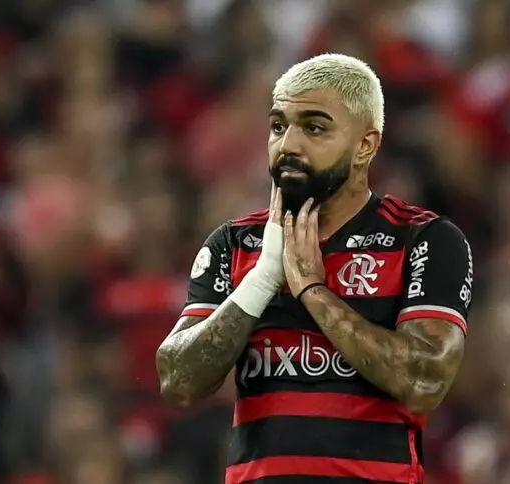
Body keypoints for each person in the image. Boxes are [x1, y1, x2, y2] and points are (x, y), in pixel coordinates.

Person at [156, 53, 475, 483]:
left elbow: (425, 381)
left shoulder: (423, 240)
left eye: (314, 127)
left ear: (365, 145)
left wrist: (314, 292)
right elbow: (177, 380)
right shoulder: (235, 245)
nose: (288, 144)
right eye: (277, 126)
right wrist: (264, 278)